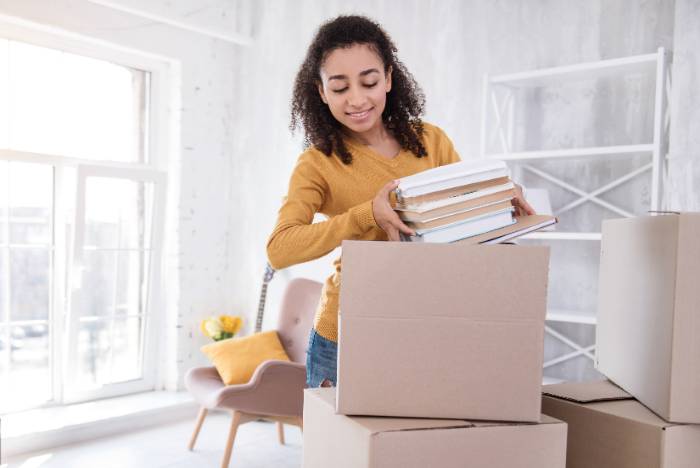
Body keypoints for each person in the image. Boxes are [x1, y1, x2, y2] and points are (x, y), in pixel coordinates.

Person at [266, 15, 534, 388]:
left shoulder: (432, 141)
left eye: (370, 82)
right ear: (322, 91)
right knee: (343, 445)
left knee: (414, 442)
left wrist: (500, 198)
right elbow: (280, 250)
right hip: (346, 329)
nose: (357, 99)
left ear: (389, 78)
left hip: (426, 319)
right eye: (340, 87)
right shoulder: (317, 164)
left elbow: (465, 222)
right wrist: (366, 215)